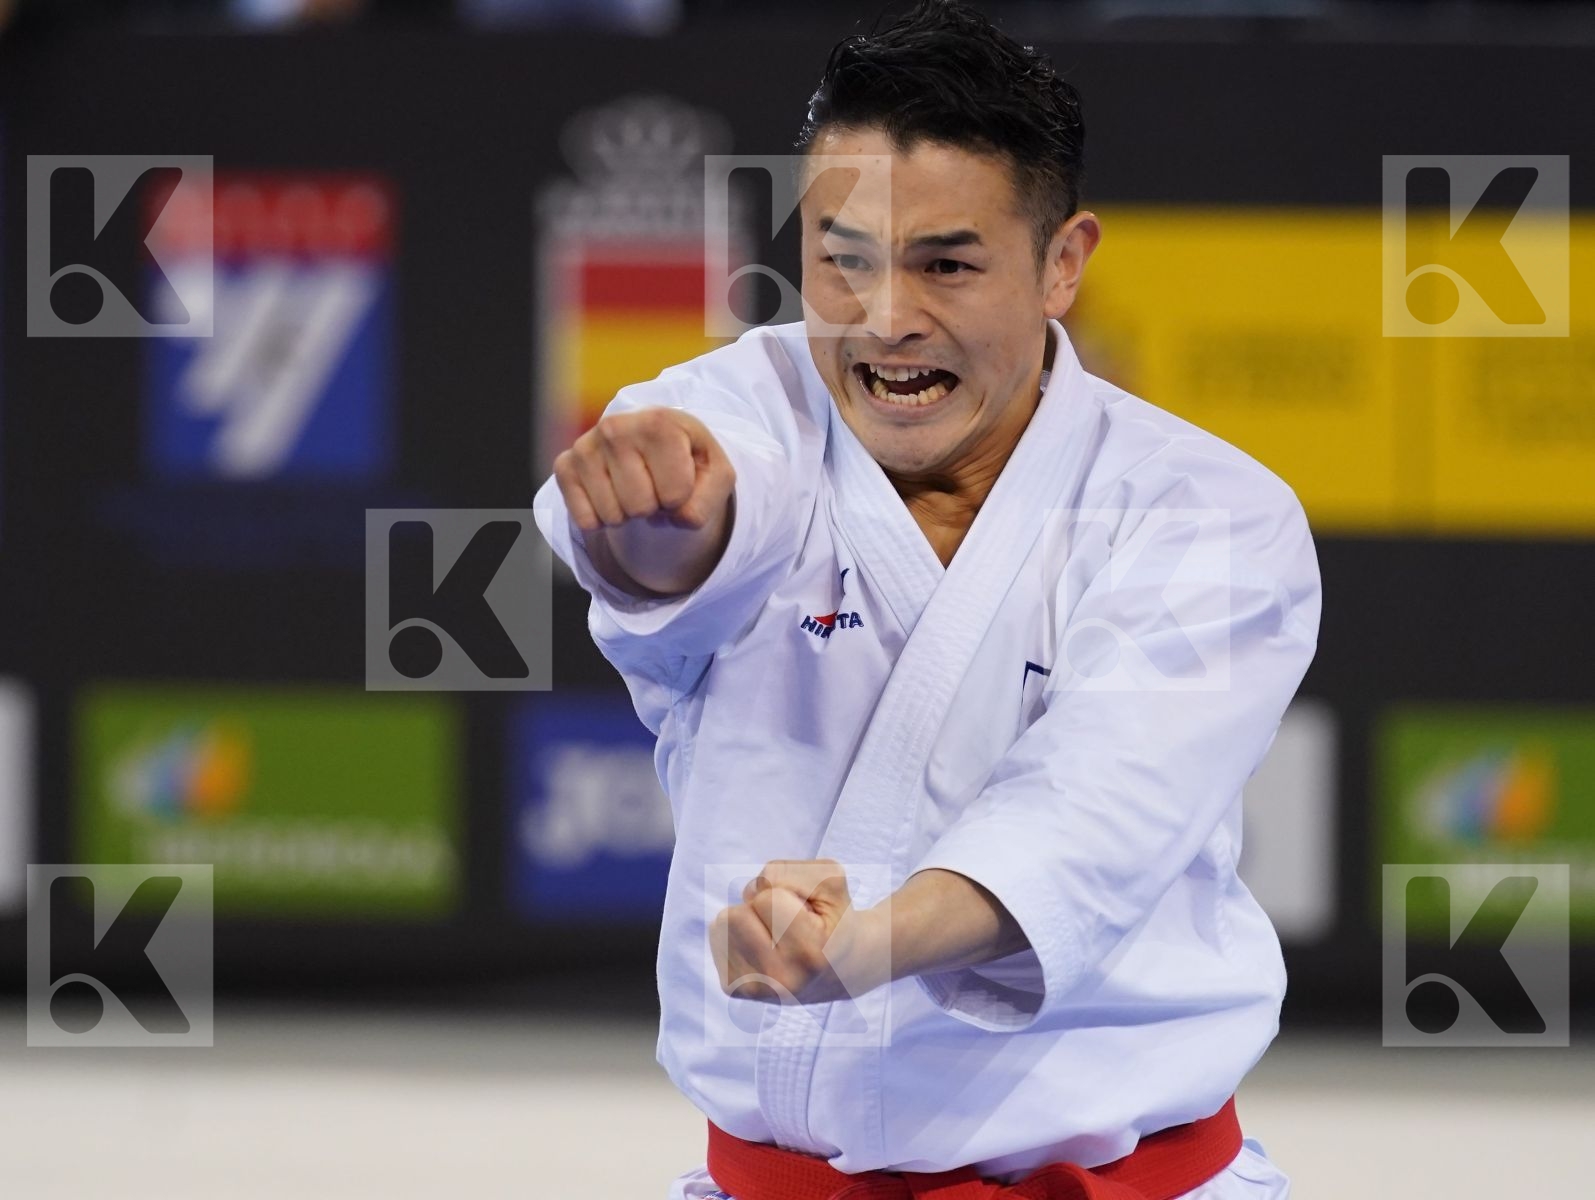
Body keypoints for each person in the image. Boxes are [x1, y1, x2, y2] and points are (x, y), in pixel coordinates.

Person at [533, 2, 1319, 1196]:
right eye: (840, 257)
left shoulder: (1206, 512)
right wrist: (652, 518)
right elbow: (692, 526)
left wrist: (869, 947)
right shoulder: (753, 412)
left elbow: (1095, 808)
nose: (883, 317)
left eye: (944, 264)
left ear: (1063, 263)